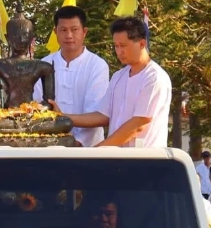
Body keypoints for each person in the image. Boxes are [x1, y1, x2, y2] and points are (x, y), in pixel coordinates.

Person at [55, 17, 170, 147]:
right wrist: (61, 117)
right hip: (116, 156)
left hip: (145, 157)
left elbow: (138, 124)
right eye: (116, 46)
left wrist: (97, 151)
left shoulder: (154, 78)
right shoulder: (118, 77)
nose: (119, 51)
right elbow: (102, 116)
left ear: (142, 44)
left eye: (123, 46)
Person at [33, 6, 111, 148]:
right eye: (63, 30)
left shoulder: (97, 65)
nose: (69, 35)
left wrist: (76, 143)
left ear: (84, 32)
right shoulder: (43, 65)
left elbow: (96, 114)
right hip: (49, 147)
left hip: (88, 149)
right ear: (55, 32)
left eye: (74, 29)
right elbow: (36, 106)